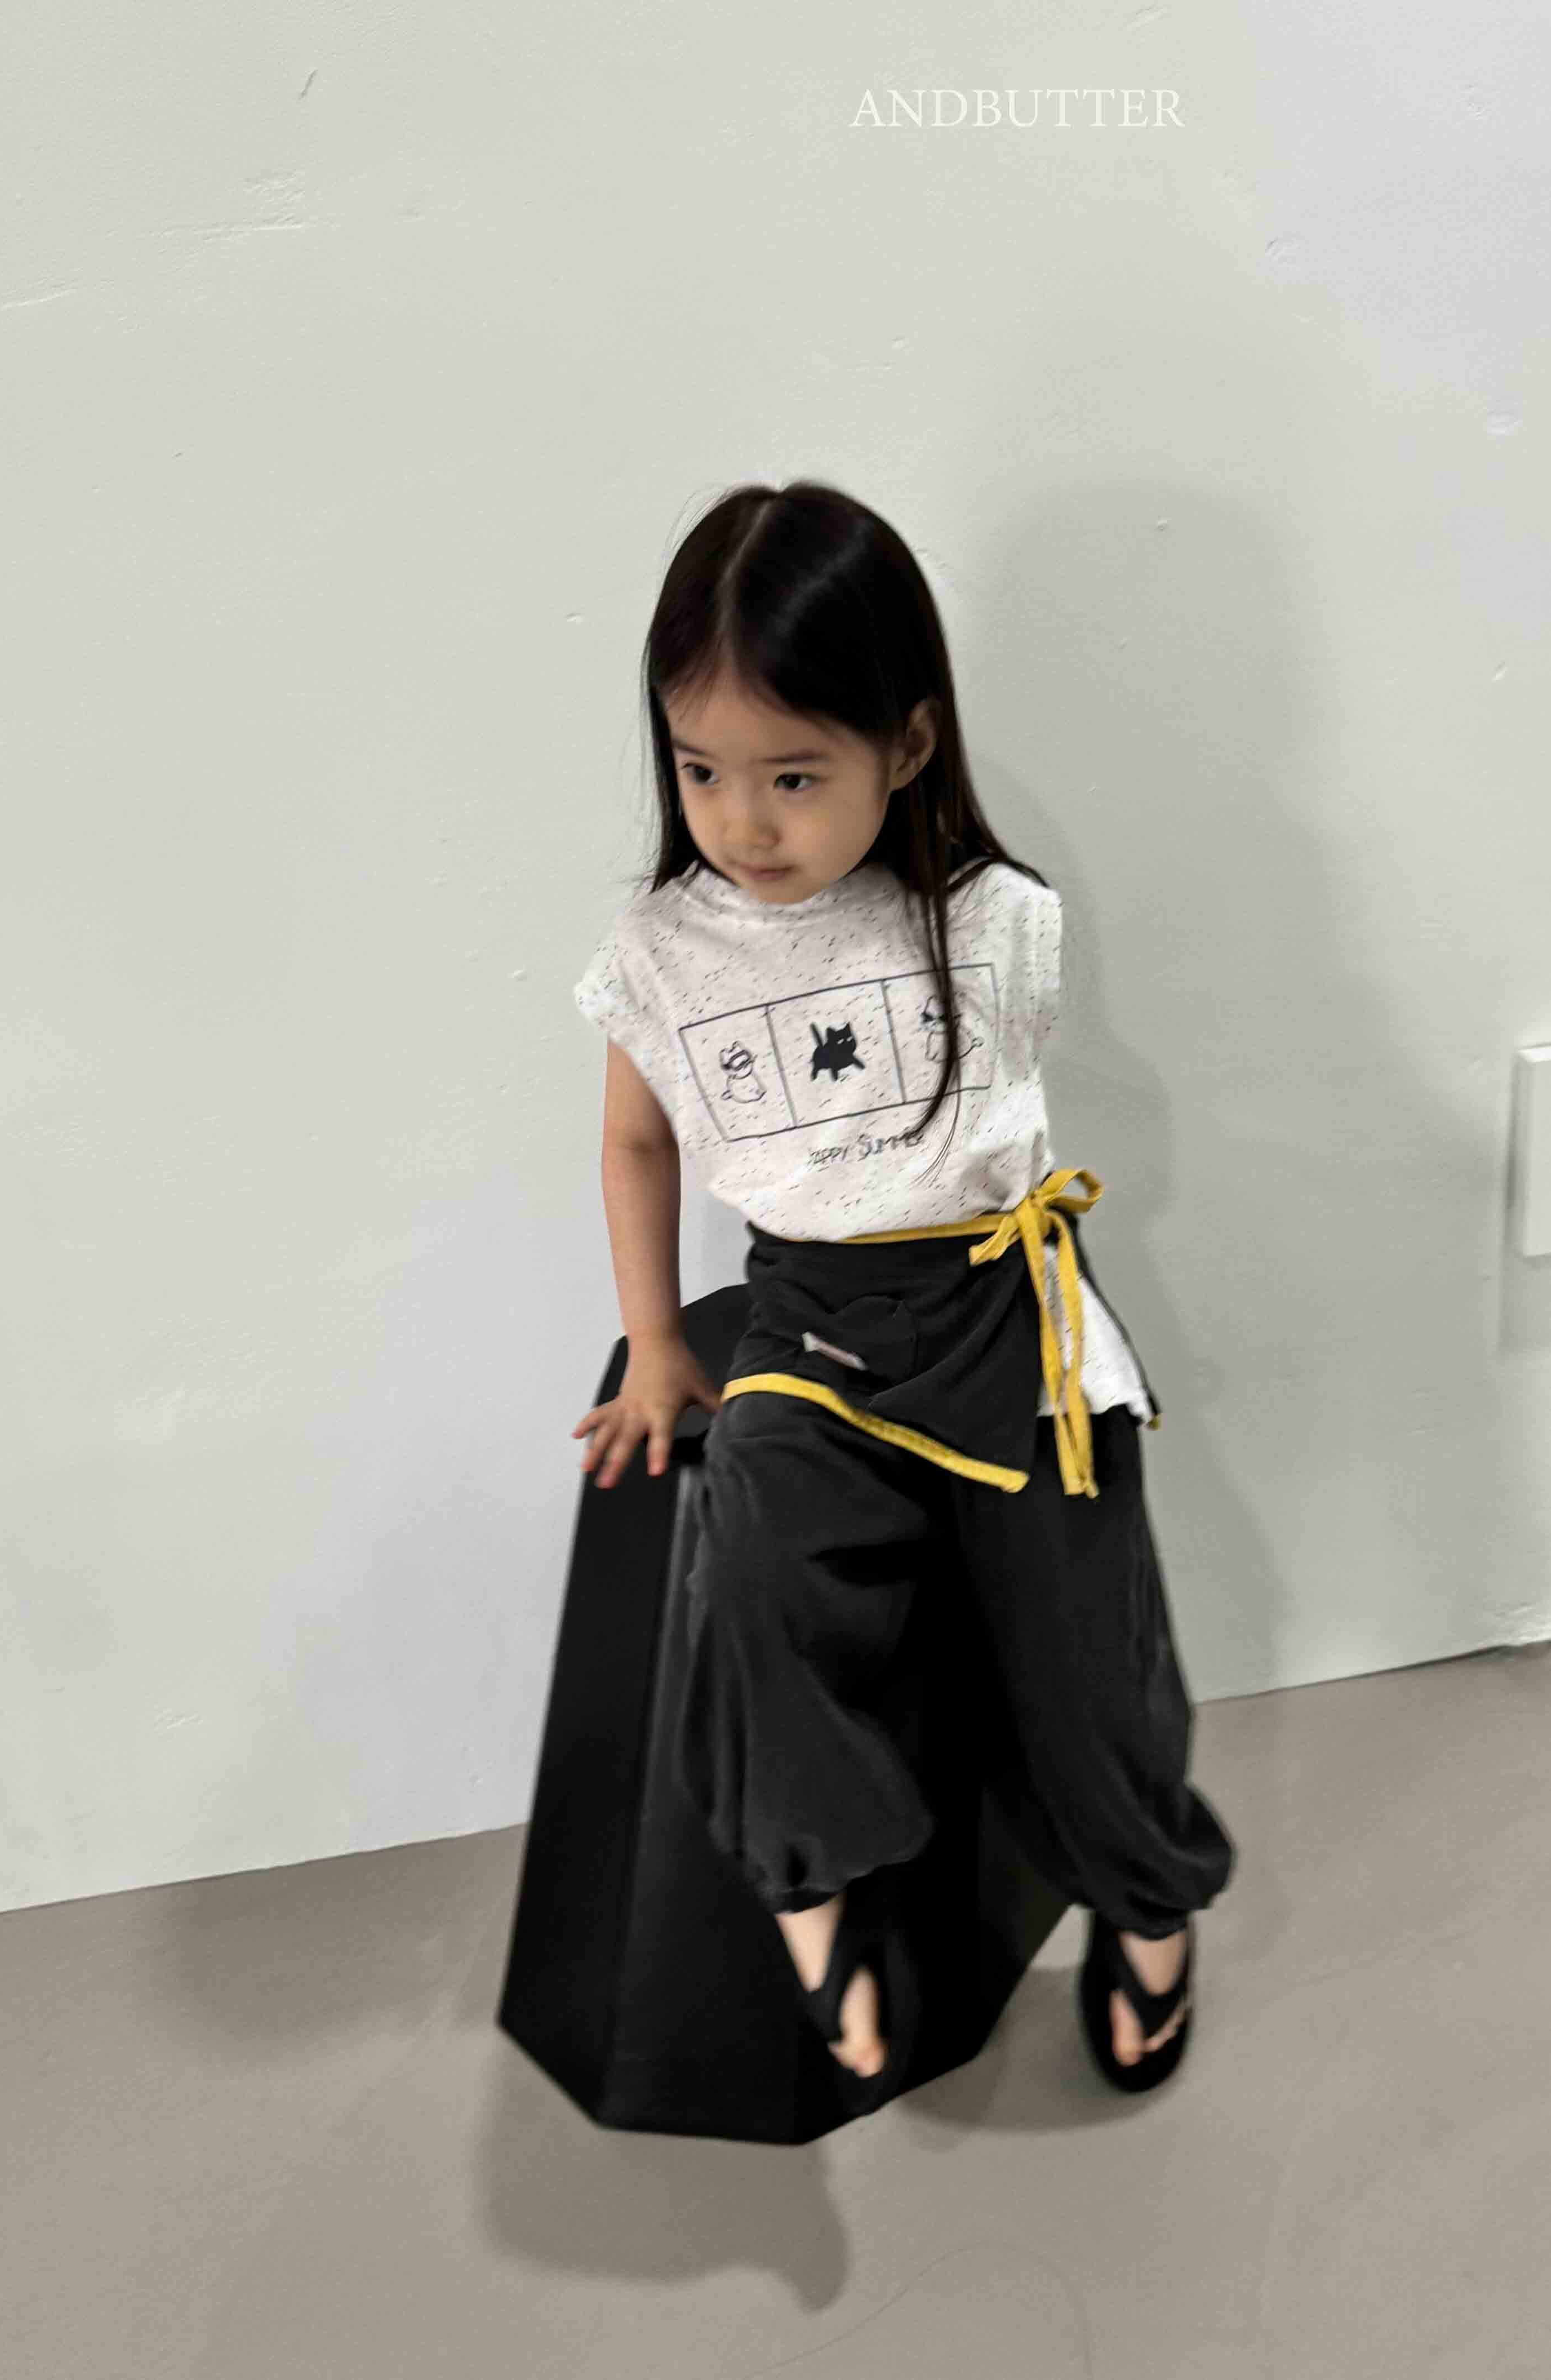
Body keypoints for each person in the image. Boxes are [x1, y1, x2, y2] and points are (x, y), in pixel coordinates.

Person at [567, 479, 1235, 2107]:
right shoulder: (665, 948)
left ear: (909, 744)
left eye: (794, 775)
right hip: (807, 1328)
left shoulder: (994, 922)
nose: (744, 821)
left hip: (1007, 1319)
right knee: (751, 1576)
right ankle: (816, 1909)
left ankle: (1148, 1908)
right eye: (702, 770)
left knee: (1092, 1656)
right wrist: (655, 1338)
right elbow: (637, 1138)